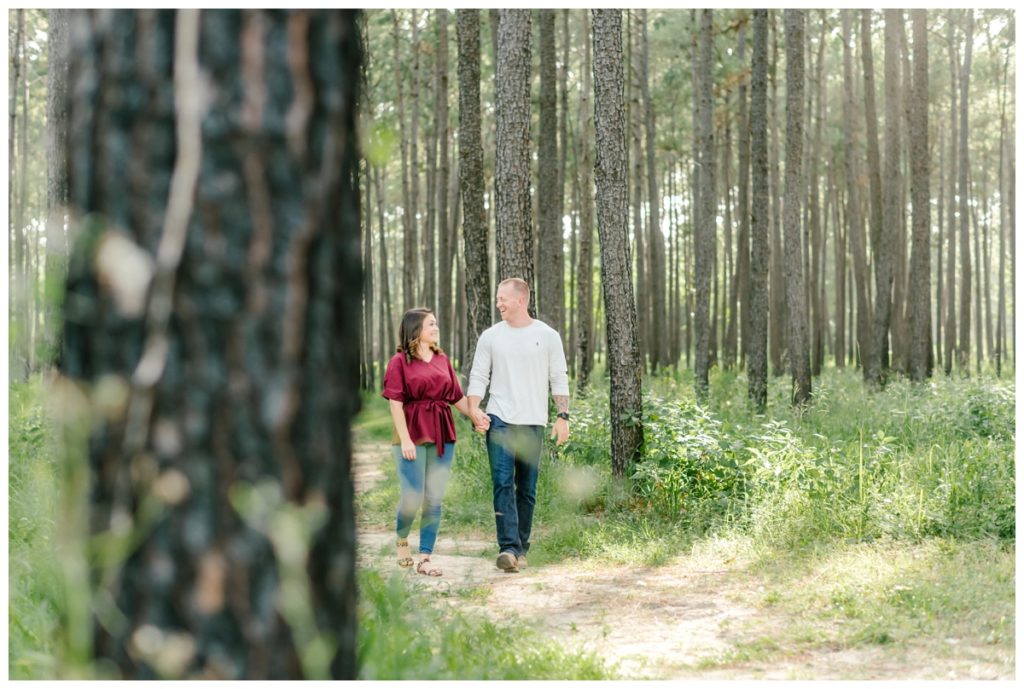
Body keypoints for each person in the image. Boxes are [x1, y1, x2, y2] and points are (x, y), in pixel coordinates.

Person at [467, 278, 570, 573]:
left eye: (503, 299)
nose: (499, 303)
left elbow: (558, 377)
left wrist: (563, 417)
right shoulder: (490, 336)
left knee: (526, 487)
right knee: (502, 483)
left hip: (533, 421)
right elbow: (478, 376)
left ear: (521, 300)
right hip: (499, 419)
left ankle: (521, 547)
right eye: (498, 298)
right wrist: (475, 408)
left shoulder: (548, 336)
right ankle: (508, 548)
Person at [382, 307, 482, 577]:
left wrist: (475, 415)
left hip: (441, 432)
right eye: (431, 324)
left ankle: (425, 557)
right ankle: (402, 539)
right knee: (412, 495)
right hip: (411, 432)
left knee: (434, 498)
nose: (436, 328)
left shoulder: (442, 359)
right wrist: (405, 439)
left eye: (436, 324)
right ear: (416, 329)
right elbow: (395, 402)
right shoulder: (399, 362)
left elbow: (454, 396)